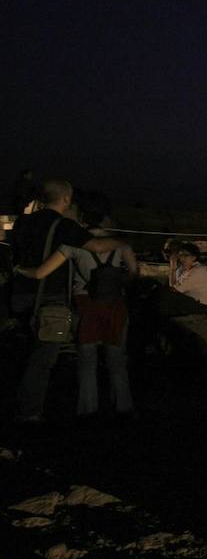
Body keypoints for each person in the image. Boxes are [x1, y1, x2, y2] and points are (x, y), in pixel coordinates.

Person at [10, 179, 131, 423]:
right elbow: (96, 246)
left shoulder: (23, 221)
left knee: (22, 351)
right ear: (66, 198)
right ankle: (29, 413)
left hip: (19, 294)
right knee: (43, 358)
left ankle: (18, 398)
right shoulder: (64, 226)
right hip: (50, 298)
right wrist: (124, 243)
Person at [68, 205, 139, 418]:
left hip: (84, 302)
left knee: (87, 362)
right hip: (114, 303)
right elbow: (134, 272)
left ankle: (87, 409)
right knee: (117, 360)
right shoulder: (120, 244)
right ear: (106, 219)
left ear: (83, 219)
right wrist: (116, 282)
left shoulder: (76, 243)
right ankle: (123, 407)